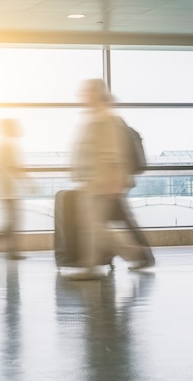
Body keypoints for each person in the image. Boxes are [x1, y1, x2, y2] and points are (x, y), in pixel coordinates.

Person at [71, 79, 151, 277]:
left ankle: (130, 254)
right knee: (93, 226)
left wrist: (112, 180)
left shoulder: (106, 118)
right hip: (94, 181)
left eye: (86, 93)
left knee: (94, 227)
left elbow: (112, 154)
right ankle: (94, 264)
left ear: (96, 94)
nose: (82, 97)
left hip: (102, 182)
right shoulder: (96, 117)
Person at [0, 118, 34, 260]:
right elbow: (14, 167)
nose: (18, 129)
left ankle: (10, 251)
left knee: (12, 220)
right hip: (9, 188)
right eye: (15, 127)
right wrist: (27, 182)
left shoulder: (1, 144)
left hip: (4, 187)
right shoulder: (8, 144)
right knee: (13, 220)